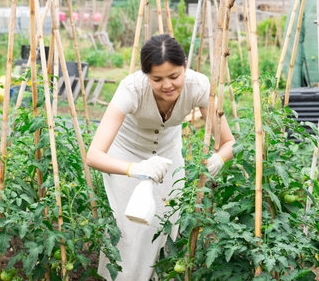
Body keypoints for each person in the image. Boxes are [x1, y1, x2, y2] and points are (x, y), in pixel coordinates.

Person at [86, 34, 235, 281]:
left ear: (184, 66)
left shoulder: (199, 87)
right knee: (131, 229)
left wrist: (219, 159)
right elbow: (94, 155)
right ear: (146, 76)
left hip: (168, 158)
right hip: (126, 157)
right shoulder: (131, 89)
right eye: (157, 79)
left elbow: (228, 142)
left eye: (174, 76)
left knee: (165, 225)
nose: (167, 85)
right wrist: (134, 169)